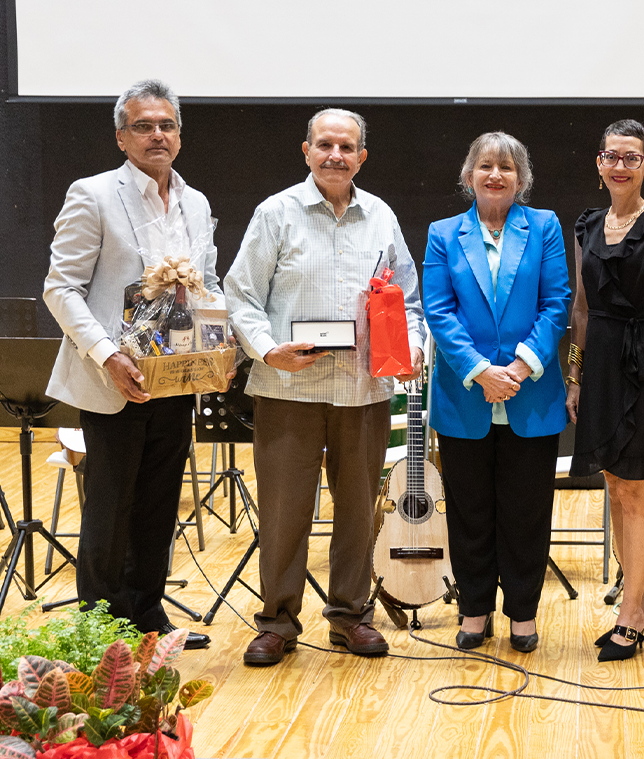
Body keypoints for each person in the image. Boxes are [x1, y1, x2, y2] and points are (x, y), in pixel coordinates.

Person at [226, 108, 426, 666]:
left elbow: (407, 298)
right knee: (285, 511)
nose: (336, 155)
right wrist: (268, 350)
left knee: (359, 510)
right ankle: (277, 622)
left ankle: (349, 616)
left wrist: (408, 347)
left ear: (362, 156)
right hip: (287, 388)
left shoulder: (381, 216)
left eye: (347, 146)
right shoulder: (276, 214)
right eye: (325, 145)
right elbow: (240, 294)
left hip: (363, 390)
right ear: (307, 151)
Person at [43, 79, 215, 650]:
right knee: (110, 510)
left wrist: (220, 345)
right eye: (143, 126)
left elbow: (206, 284)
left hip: (175, 378)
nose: (157, 135)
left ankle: (149, 619)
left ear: (181, 137)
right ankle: (101, 633)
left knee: (159, 505)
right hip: (112, 379)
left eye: (166, 125)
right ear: (122, 137)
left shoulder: (196, 202)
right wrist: (108, 354)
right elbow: (60, 288)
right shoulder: (91, 195)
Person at [421, 132, 571, 654]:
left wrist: (521, 367)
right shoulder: (443, 234)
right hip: (465, 395)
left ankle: (523, 614)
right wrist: (483, 370)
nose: (496, 175)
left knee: (527, 512)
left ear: (521, 180)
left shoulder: (546, 227)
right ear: (468, 176)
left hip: (531, 394)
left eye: (507, 167)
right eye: (485, 165)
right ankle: (474, 610)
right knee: (469, 512)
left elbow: (557, 304)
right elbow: (438, 310)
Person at [565, 120, 644, 662]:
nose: (620, 165)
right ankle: (639, 602)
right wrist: (575, 374)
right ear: (598, 163)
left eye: (631, 157)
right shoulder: (586, 225)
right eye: (611, 155)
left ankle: (631, 611)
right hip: (601, 369)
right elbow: (582, 308)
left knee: (637, 490)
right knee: (615, 487)